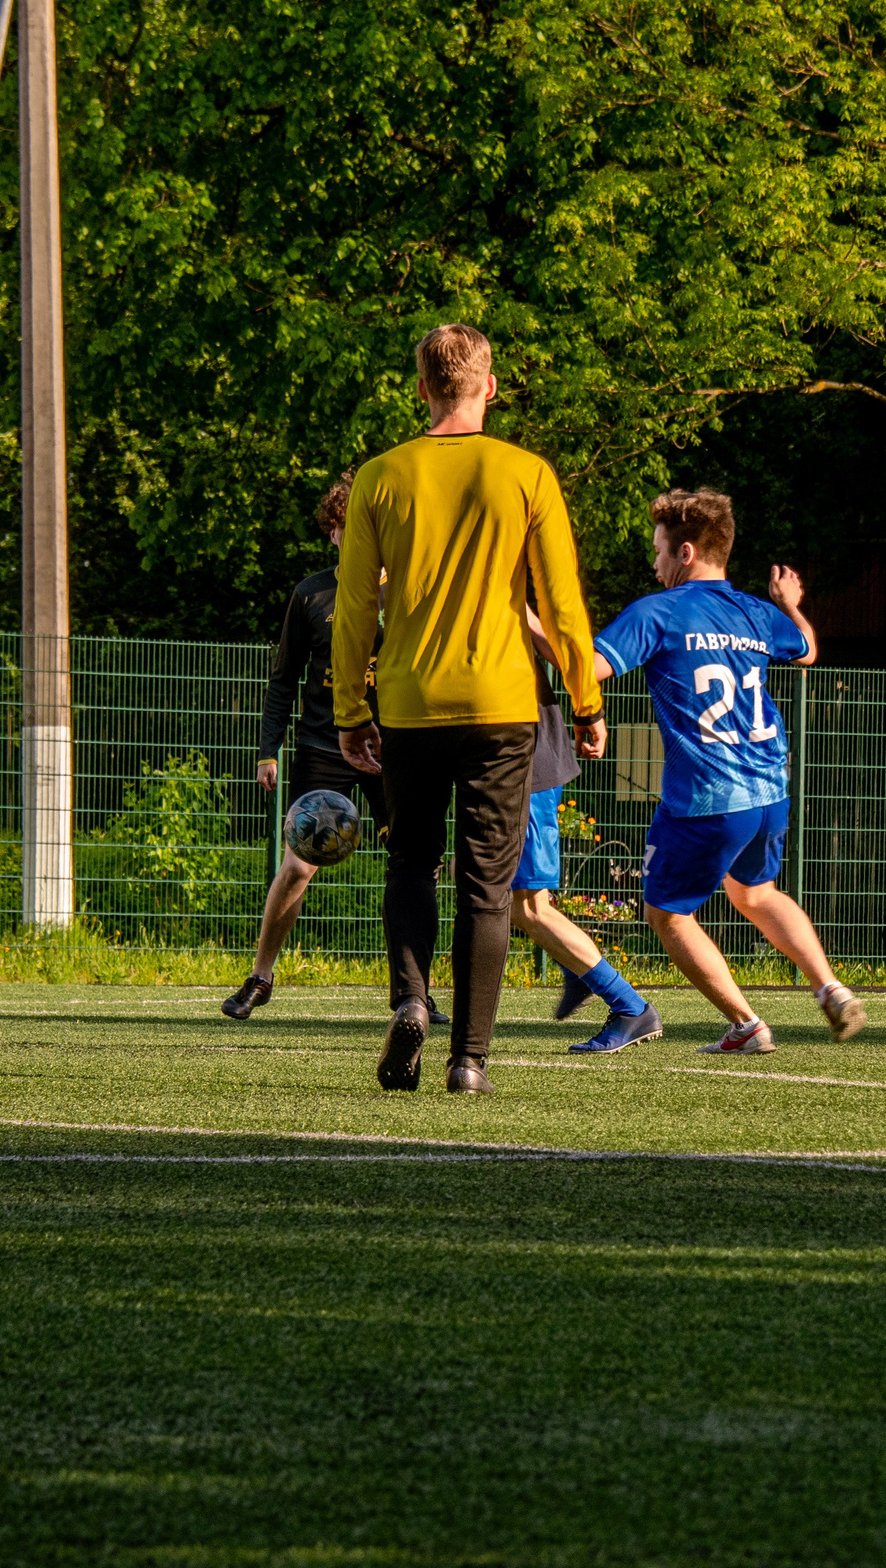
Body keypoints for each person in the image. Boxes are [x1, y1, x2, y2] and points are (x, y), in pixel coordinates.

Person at [334, 324, 605, 1094]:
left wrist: (352, 711)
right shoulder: (527, 474)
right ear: (489, 385)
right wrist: (586, 704)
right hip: (502, 706)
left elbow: (356, 608)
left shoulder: (381, 478)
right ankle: (469, 1060)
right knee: (489, 883)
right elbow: (561, 605)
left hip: (412, 703)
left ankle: (412, 1000)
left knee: (411, 861)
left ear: (422, 388)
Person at [588, 488, 864, 1054]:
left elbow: (587, 667)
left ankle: (747, 1024)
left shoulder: (658, 612)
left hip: (706, 798)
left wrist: (529, 622)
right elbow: (808, 650)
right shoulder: (754, 612)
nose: (655, 562)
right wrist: (789, 600)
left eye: (660, 550)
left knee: (666, 914)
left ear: (685, 552)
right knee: (756, 892)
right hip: (769, 791)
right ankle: (830, 987)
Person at [223, 472, 445, 1030]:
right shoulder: (311, 594)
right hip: (324, 746)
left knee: (413, 866)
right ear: (334, 533)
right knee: (298, 866)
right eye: (349, 527)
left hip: (396, 745)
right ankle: (260, 977)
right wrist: (266, 749)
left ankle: (414, 994)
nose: (361, 535)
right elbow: (282, 679)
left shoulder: (410, 592)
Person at [515, 612, 660, 1053]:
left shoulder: (493, 577)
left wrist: (588, 711)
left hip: (524, 759)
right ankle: (577, 969)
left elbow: (554, 646)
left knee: (527, 906)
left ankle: (631, 1007)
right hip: (511, 756)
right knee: (491, 889)